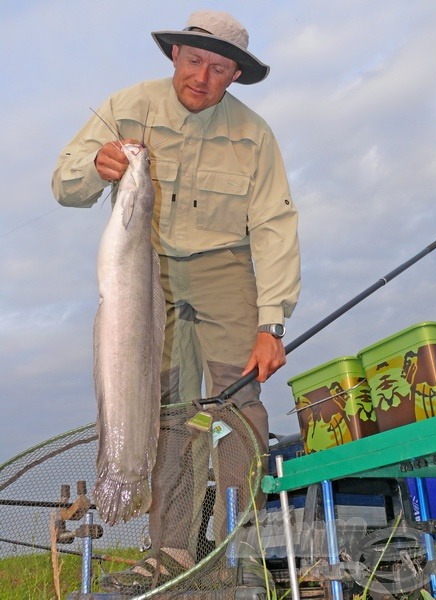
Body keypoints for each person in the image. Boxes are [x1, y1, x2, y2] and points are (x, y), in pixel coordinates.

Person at [52, 9, 300, 592]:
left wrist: (273, 323)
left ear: (235, 75)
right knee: (163, 410)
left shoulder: (256, 134)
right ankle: (168, 553)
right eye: (194, 61)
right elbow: (65, 186)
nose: (202, 77)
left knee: (235, 406)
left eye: (219, 68)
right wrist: (96, 164)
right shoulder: (125, 105)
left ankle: (237, 548)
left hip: (224, 268)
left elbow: (274, 224)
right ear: (174, 57)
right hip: (143, 267)